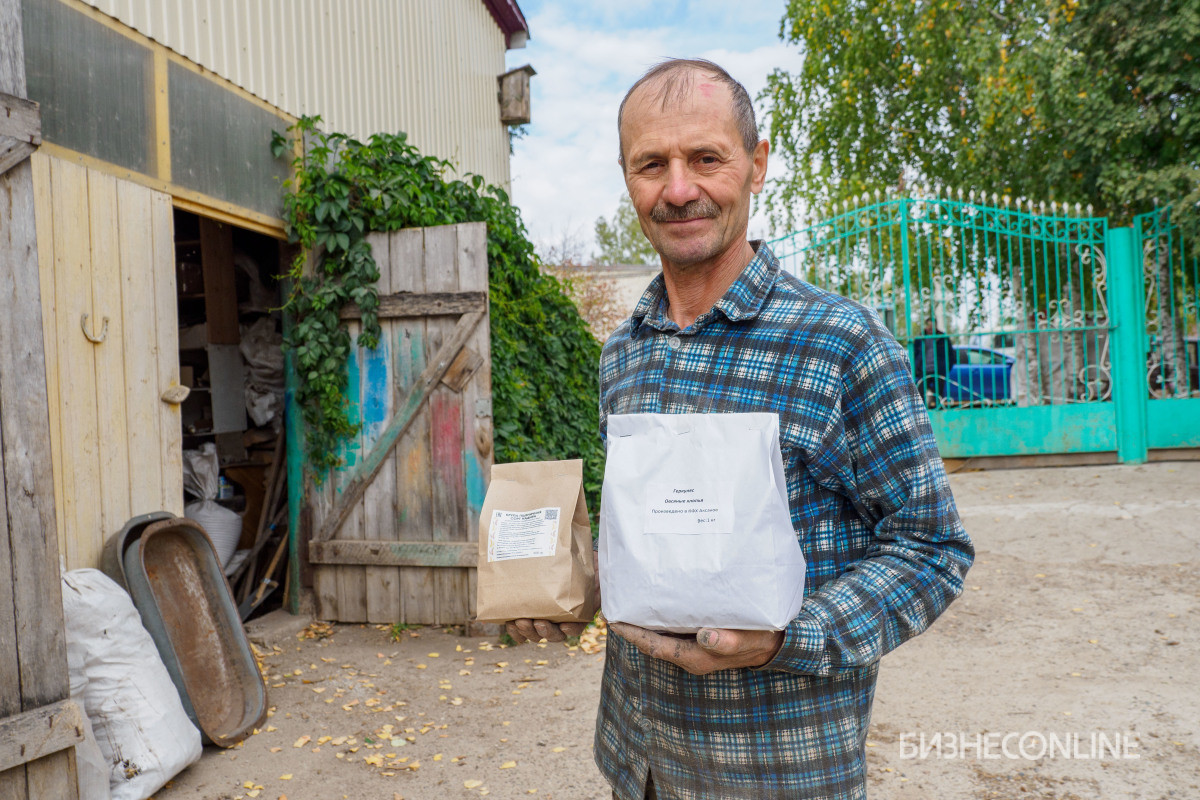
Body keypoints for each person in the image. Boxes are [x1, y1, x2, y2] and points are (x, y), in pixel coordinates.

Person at [506, 58, 974, 800]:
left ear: (756, 165)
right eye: (651, 164)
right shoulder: (624, 352)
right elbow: (652, 536)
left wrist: (790, 637)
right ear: (627, 179)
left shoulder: (840, 343)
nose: (679, 188)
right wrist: (573, 586)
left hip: (777, 773)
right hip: (639, 760)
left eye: (706, 158)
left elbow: (932, 547)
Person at [911, 318, 955, 405]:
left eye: (933, 326)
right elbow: (914, 354)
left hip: (939, 370)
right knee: (920, 393)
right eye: (929, 325)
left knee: (939, 394)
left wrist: (946, 368)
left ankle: (938, 411)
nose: (931, 328)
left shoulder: (943, 338)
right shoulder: (920, 338)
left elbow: (951, 355)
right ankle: (922, 412)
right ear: (926, 326)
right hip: (923, 371)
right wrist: (916, 368)